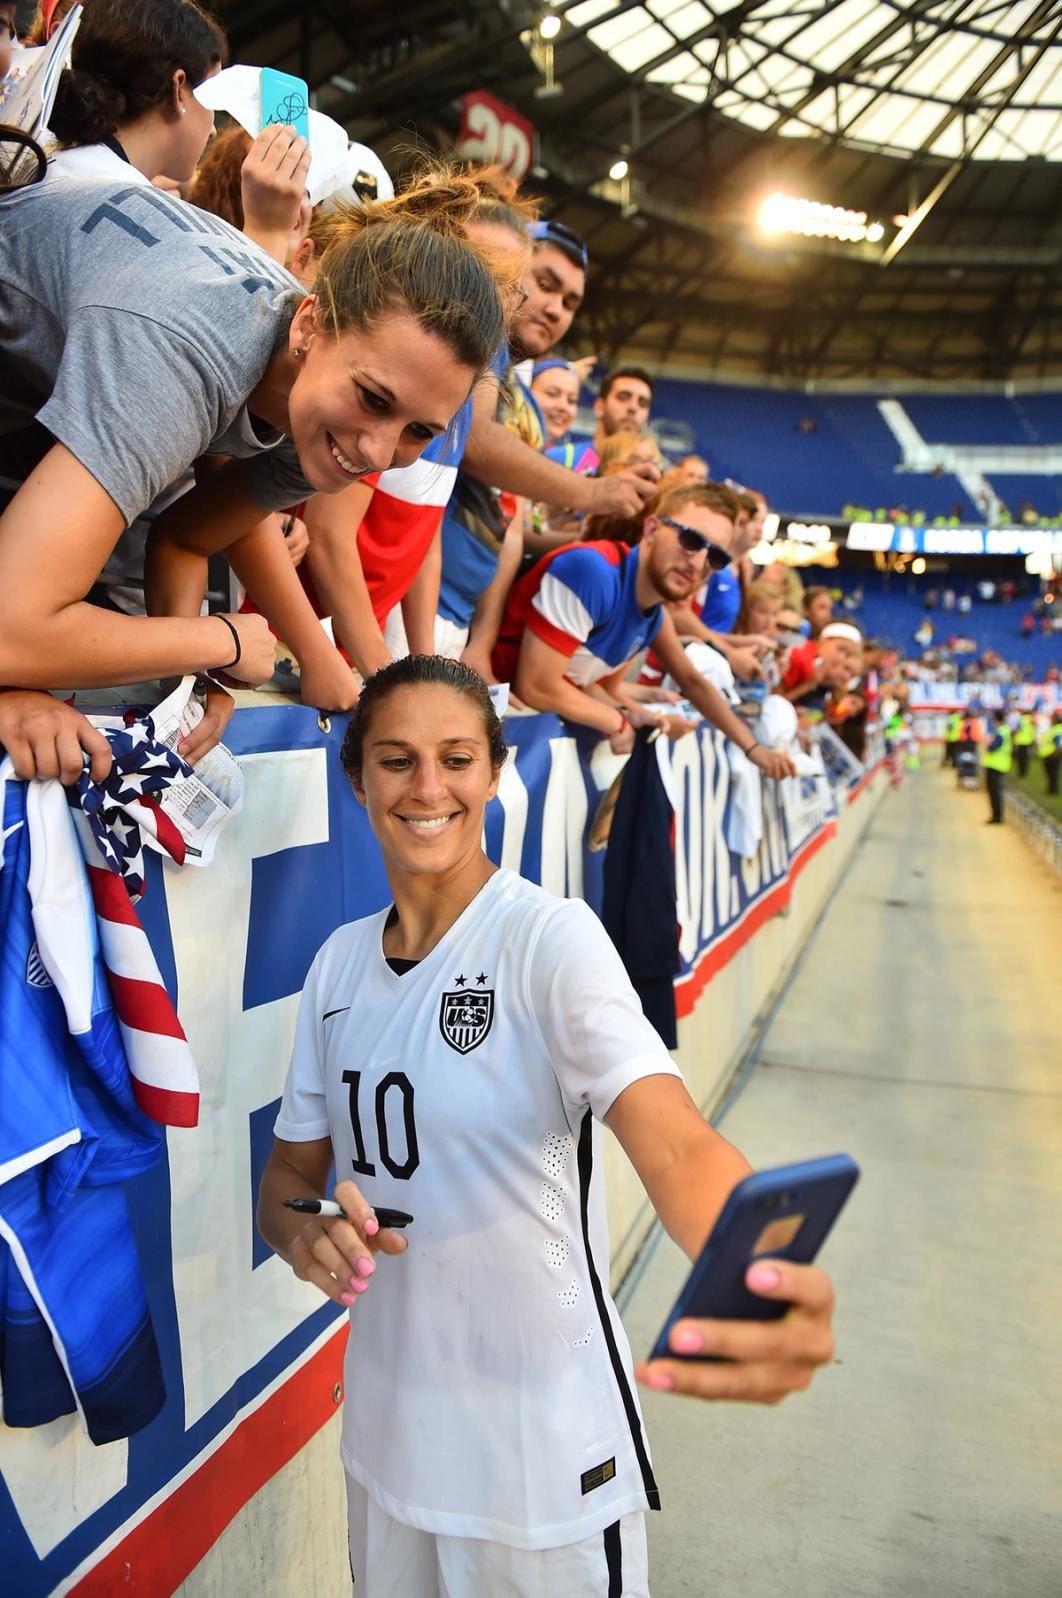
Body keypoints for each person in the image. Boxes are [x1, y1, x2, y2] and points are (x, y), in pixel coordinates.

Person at [257, 654, 838, 1596]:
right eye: (396, 761)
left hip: (542, 1464)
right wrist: (305, 1234)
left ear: (495, 772)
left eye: (455, 757)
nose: (427, 787)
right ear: (358, 775)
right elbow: (286, 1180)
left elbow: (678, 1140)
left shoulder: (548, 939)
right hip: (388, 1448)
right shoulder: (336, 967)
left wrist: (755, 1270)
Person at [0, 164, 506, 772]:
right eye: (375, 398)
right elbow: (12, 631)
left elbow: (184, 539)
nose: (377, 453)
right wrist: (222, 639)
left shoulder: (316, 408)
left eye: (419, 431)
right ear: (308, 324)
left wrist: (183, 678)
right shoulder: (188, 351)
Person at [492, 484, 796, 778]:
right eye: (690, 540)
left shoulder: (653, 614)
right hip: (494, 728)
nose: (699, 562)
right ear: (651, 529)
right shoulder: (594, 571)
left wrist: (753, 748)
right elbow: (538, 686)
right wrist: (619, 720)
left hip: (519, 742)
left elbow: (690, 682)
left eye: (715, 557)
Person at [530, 358, 580, 447]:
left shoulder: (570, 457)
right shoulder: (503, 444)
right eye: (552, 394)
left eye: (571, 400)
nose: (563, 406)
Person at [980, 708, 1011, 824]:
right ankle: (997, 815)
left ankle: (997, 816)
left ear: (995, 719)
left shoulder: (1001, 732)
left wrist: (988, 743)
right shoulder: (1003, 730)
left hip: (996, 765)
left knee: (995, 792)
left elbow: (992, 747)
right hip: (998, 765)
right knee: (995, 792)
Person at [1039, 710, 1062, 796]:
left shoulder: (1058, 729)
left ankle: (1053, 791)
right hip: (1049, 754)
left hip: (1052, 754)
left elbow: (1058, 745)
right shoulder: (1055, 728)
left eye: (1052, 718)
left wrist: (1055, 755)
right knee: (1051, 773)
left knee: (1053, 773)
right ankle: (1052, 789)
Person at [1013, 708, 1037, 779]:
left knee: (1020, 758)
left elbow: (1017, 729)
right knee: (1026, 758)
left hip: (1021, 741)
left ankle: (1021, 772)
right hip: (1028, 741)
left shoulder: (1022, 719)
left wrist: (1014, 738)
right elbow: (1034, 730)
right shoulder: (1032, 720)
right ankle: (1024, 772)